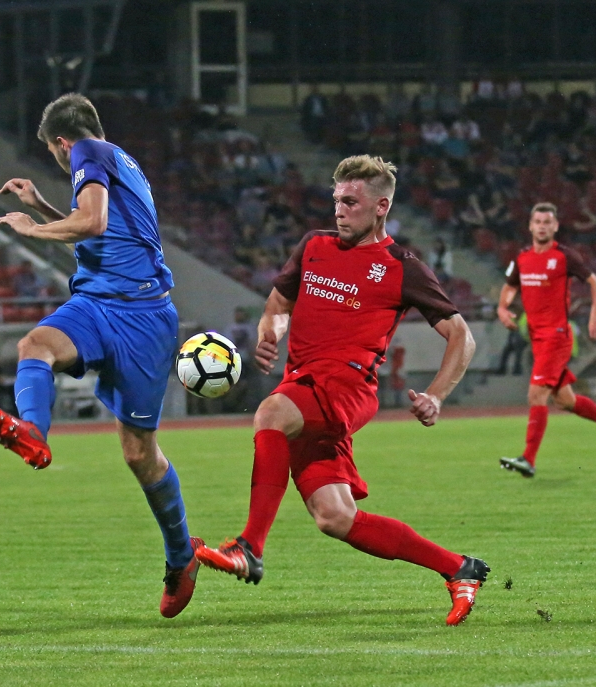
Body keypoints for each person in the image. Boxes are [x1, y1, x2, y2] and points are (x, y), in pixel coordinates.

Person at [194, 155, 490, 626]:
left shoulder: (402, 267)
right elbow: (278, 302)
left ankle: (249, 547)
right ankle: (459, 568)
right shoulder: (314, 245)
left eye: (350, 202)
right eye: (336, 200)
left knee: (270, 414)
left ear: (381, 206)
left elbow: (462, 336)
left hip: (347, 386)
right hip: (303, 384)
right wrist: (272, 331)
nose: (338, 210)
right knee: (334, 517)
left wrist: (436, 394)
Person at [0, 93, 203, 618]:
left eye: (53, 153)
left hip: (142, 318)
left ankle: (182, 557)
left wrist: (32, 229)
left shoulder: (89, 152)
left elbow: (92, 224)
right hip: (100, 302)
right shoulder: (118, 159)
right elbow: (97, 236)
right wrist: (42, 206)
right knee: (35, 345)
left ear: (63, 142)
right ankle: (33, 432)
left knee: (138, 453)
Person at [497, 203, 596, 478]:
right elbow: (510, 286)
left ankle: (528, 459)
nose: (542, 226)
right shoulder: (522, 257)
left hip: (556, 336)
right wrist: (502, 307)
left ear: (555, 226)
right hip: (537, 339)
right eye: (538, 222)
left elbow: (595, 283)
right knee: (565, 400)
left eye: (547, 222)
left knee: (536, 394)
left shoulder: (565, 256)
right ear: (531, 226)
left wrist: (594, 315)